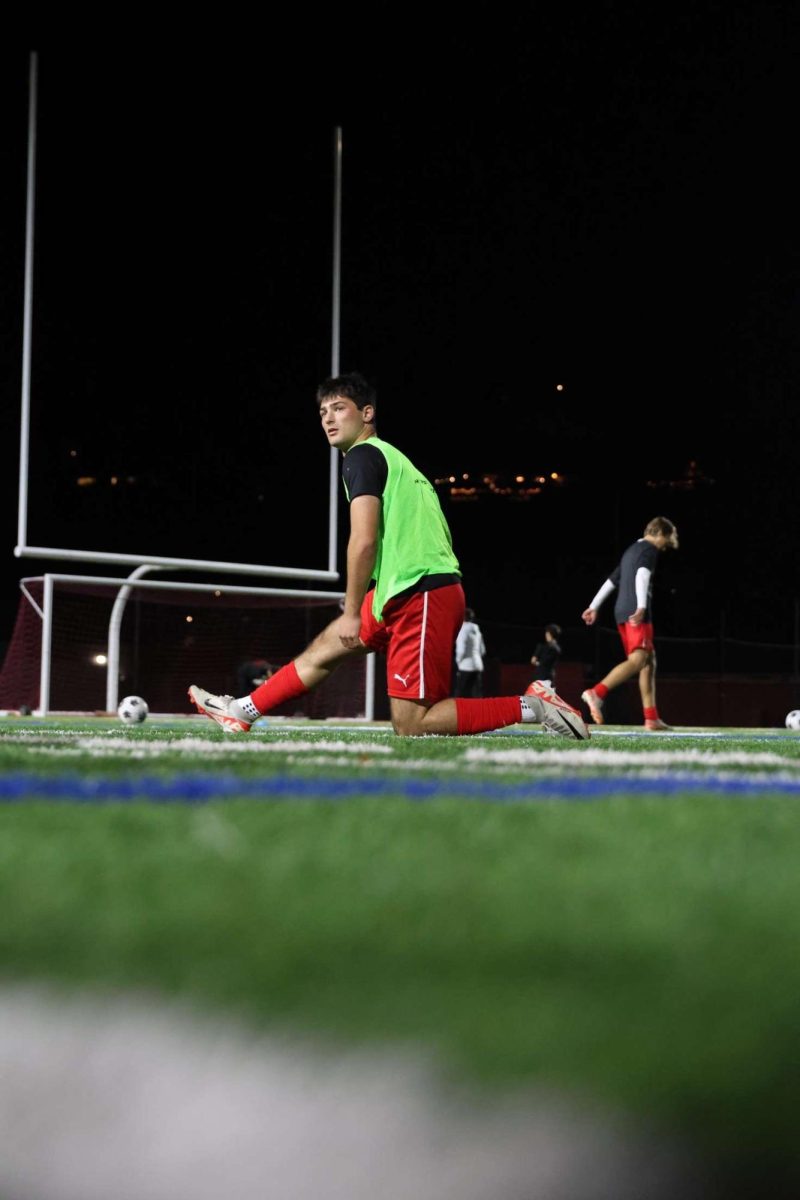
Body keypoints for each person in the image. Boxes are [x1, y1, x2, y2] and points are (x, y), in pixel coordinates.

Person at [190, 372, 588, 739]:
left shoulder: (362, 457)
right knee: (327, 646)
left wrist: (351, 610)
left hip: (421, 593)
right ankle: (243, 709)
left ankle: (533, 706)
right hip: (400, 591)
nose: (328, 418)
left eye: (339, 408)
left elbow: (363, 540)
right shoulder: (396, 461)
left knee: (412, 724)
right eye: (323, 411)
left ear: (367, 413)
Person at [580, 517, 679, 731]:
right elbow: (642, 574)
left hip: (621, 610)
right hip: (636, 610)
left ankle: (651, 717)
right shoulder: (649, 549)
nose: (668, 543)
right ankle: (597, 693)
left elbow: (612, 580)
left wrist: (594, 606)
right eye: (669, 537)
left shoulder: (631, 550)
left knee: (648, 661)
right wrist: (642, 606)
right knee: (639, 659)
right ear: (660, 533)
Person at [454, 608, 486, 697]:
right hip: (477, 665)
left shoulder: (463, 629)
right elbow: (482, 650)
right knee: (477, 695)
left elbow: (461, 649)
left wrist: (458, 662)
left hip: (465, 666)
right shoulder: (476, 629)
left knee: (461, 695)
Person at [530, 623, 562, 688]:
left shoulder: (542, 647)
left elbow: (534, 661)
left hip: (540, 676)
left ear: (549, 633)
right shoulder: (557, 649)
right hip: (550, 676)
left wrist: (537, 663)